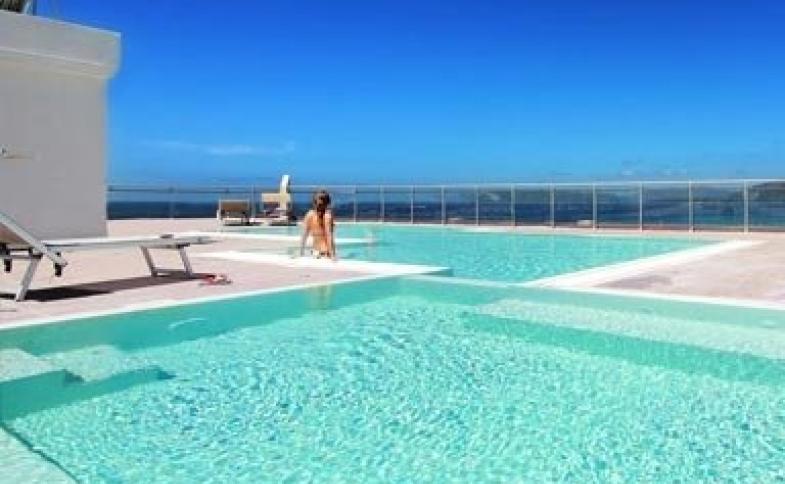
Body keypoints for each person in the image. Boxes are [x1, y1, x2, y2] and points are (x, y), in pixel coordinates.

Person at [299, 189, 337, 260]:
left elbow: (304, 236)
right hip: (325, 253)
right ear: (327, 204)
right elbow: (329, 236)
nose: (318, 206)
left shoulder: (309, 214)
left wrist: (301, 253)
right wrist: (333, 256)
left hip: (315, 252)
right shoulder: (327, 216)